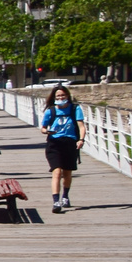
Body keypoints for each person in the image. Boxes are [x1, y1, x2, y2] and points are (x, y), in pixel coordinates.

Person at [39, 85, 85, 213]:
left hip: (70, 143)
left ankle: (65, 196)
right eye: (58, 96)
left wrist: (81, 139)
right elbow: (43, 128)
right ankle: (56, 201)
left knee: (67, 173)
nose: (60, 98)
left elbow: (81, 126)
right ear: (54, 98)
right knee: (56, 172)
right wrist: (47, 131)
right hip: (54, 143)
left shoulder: (75, 109)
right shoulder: (51, 111)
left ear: (67, 96)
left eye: (63, 95)